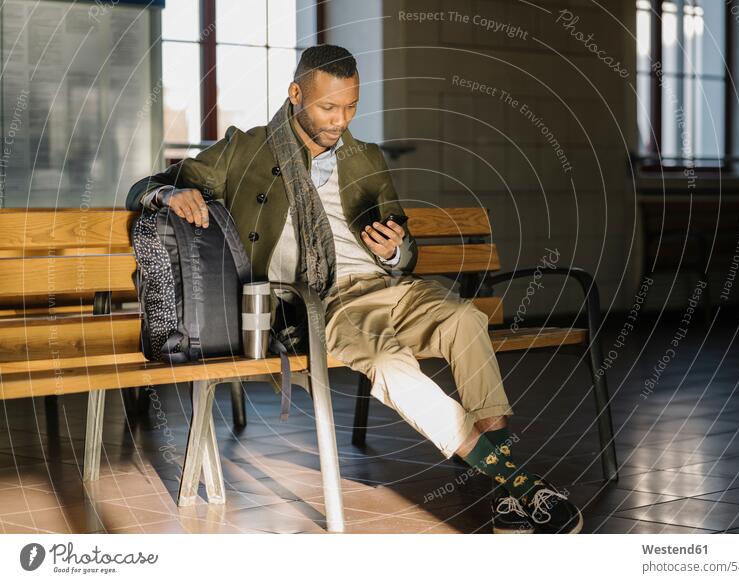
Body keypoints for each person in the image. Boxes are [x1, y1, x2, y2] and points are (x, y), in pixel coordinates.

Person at [126, 44, 582, 534]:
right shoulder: (246, 149)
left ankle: (505, 490)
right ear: (296, 93)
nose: (340, 119)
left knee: (466, 320)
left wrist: (393, 250)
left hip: (390, 289)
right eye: (327, 106)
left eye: (350, 107)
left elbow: (406, 252)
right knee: (389, 368)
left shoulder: (365, 157)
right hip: (322, 303)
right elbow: (146, 187)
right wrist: (170, 193)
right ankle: (519, 484)